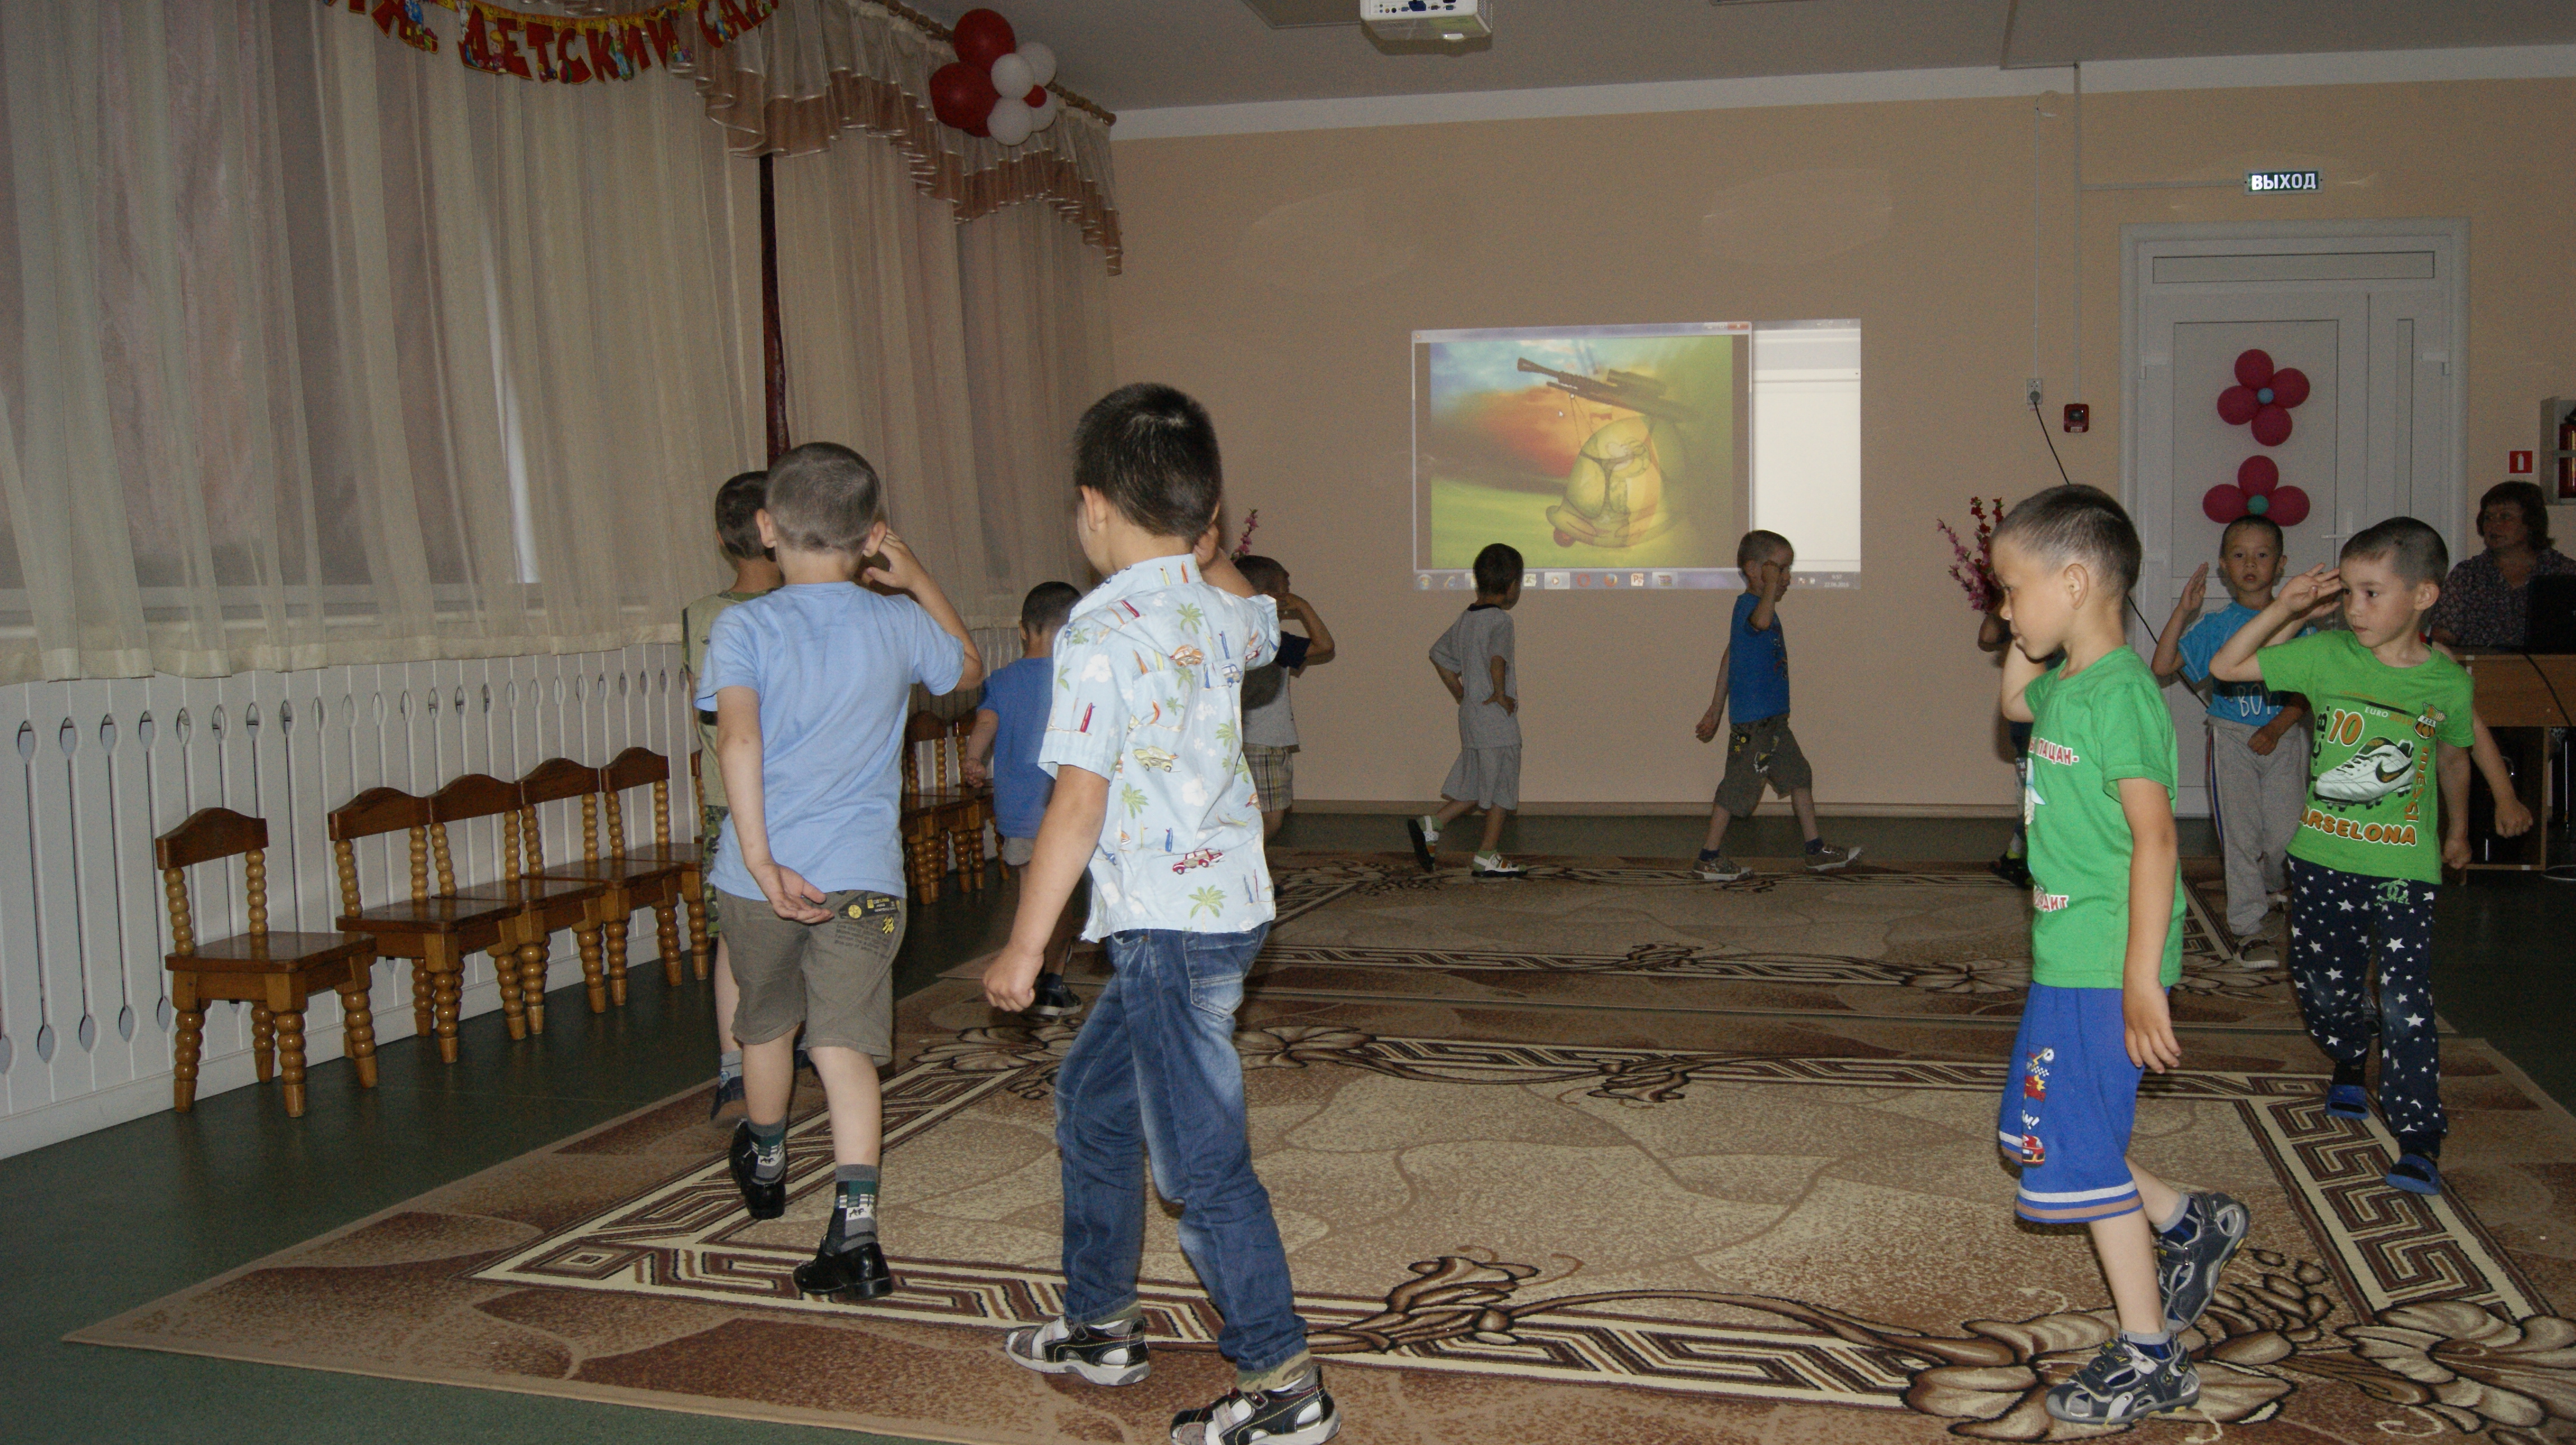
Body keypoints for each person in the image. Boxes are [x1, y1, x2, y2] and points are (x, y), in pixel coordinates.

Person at [982, 384, 1341, 1445]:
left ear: (1092, 508)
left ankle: (1281, 1384)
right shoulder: (1221, 610)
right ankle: (1101, 1324)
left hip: (1171, 933)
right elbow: (1259, 615)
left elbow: (1076, 802)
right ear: (1207, 520)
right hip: (1224, 911)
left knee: (1200, 1162)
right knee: (1094, 1104)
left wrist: (1025, 947)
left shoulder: (1097, 630)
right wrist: (1210, 553)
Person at [1991, 484, 2250, 1426]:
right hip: (2067, 955)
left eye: (2012, 590)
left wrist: (2142, 979)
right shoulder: (2067, 684)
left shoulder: (2125, 697)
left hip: (2106, 964)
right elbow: (2013, 700)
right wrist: (2026, 624)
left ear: (2073, 582)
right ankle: (2189, 1222)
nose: (2004, 611)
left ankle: (2151, 1357)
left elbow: (2157, 841)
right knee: (2033, 1134)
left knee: (2072, 1145)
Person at [702, 441, 983, 1301]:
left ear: (766, 527)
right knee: (845, 1043)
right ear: (871, 538)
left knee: (765, 1025)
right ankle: (856, 1235)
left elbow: (738, 738)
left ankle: (768, 1157)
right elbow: (969, 671)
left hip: (759, 876)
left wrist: (760, 858)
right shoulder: (898, 623)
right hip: (867, 877)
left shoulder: (743, 627)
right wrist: (917, 576)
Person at [2210, 518, 2478, 1197]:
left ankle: (2418, 1132)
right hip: (2321, 861)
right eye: (2348, 591)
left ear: (2422, 595)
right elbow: (2226, 666)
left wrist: (2457, 830)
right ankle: (2349, 1054)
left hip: (2403, 868)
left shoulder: (2446, 682)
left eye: (2370, 592)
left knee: (2405, 997)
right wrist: (2285, 606)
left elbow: (2453, 758)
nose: (2352, 608)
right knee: (2322, 987)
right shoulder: (2326, 654)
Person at [2150, 517, 2310, 963]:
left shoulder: (2299, 623)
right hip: (2232, 740)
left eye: (2262, 555)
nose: (2250, 564)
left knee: (2285, 838)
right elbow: (2162, 667)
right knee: (2241, 836)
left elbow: (2307, 692)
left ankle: (2276, 886)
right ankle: (2248, 927)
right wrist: (2184, 611)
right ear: (2223, 565)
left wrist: (2276, 728)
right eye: (2239, 555)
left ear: (2281, 564)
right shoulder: (2217, 624)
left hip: (2283, 739)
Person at [680, 471, 783, 1118]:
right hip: (794, 798)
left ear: (722, 538)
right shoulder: (798, 610)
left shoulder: (700, 615)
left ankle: (734, 1069)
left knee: (734, 938)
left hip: (726, 798)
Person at [1690, 531, 1862, 881]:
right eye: (1780, 570)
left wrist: (1715, 709)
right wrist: (1769, 587)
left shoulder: (1762, 610)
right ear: (1754, 570)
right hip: (1754, 725)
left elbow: (1731, 657)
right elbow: (1761, 623)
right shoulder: (1750, 608)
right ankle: (1708, 857)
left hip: (1774, 722)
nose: (1786, 579)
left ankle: (1815, 851)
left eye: (1787, 570)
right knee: (1736, 790)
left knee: (1799, 776)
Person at [962, 581, 1087, 1020]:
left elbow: (985, 724)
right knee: (1061, 900)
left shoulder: (1001, 680)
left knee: (1031, 894)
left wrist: (973, 759)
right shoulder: (1079, 677)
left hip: (1018, 810)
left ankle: (1025, 972)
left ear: (1022, 629)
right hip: (1066, 810)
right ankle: (1051, 981)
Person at [1407, 544, 1528, 878]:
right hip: (1495, 718)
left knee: (1478, 779)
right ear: (1512, 585)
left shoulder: (1467, 618)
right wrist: (1500, 694)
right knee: (1502, 783)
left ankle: (1433, 824)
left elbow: (1439, 655)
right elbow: (1497, 659)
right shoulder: (1501, 621)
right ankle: (1487, 854)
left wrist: (1461, 692)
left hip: (1473, 715)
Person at [1234, 554, 1337, 841]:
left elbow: (1324, 647)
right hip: (1263, 741)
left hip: (1254, 740)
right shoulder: (1268, 639)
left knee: (1254, 816)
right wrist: (1303, 607)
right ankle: (1249, 866)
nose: (1288, 596)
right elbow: (1324, 645)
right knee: (1270, 820)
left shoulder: (1250, 635)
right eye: (1285, 590)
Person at [2428, 480, 2576, 649]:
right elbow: (2441, 640)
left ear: (2531, 523)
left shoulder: (2564, 572)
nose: (2494, 525)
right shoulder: (2467, 576)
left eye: (2505, 517)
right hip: (2480, 666)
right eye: (2488, 518)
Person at [1979, 606, 2034, 887]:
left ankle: (2020, 856)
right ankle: (2017, 855)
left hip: (2058, 731)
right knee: (2030, 800)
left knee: (2040, 804)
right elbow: (1988, 635)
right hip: (2028, 733)